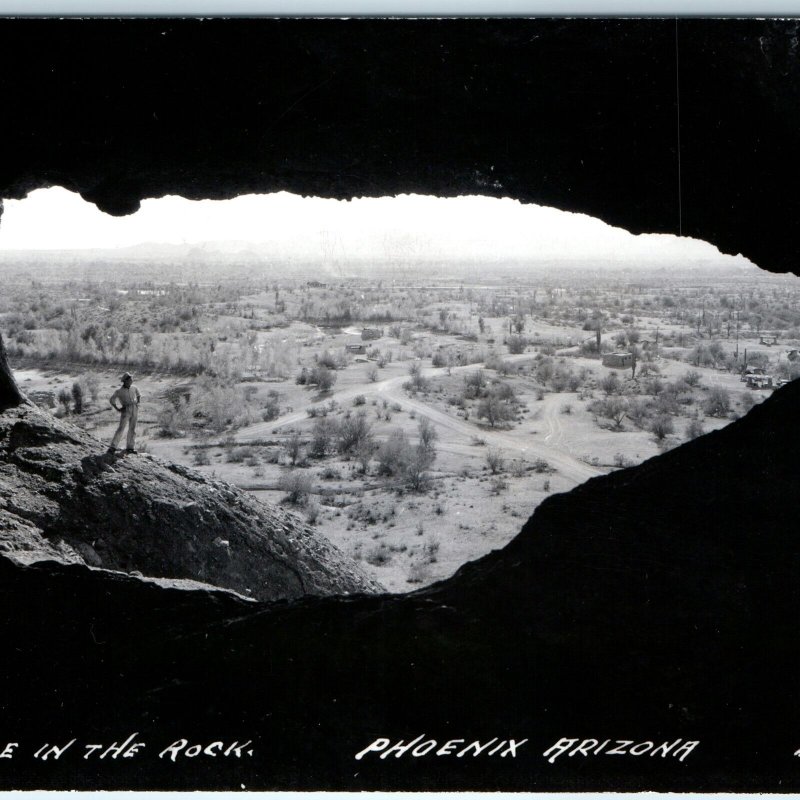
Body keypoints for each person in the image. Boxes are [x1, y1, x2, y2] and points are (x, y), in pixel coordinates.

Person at [108, 372, 141, 453]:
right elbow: (112, 400)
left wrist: (138, 403)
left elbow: (139, 395)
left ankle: (130, 447)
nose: (131, 381)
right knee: (121, 428)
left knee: (132, 429)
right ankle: (113, 447)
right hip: (126, 409)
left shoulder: (134, 388)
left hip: (134, 408)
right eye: (130, 380)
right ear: (125, 381)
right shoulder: (119, 391)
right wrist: (117, 409)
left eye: (131, 379)